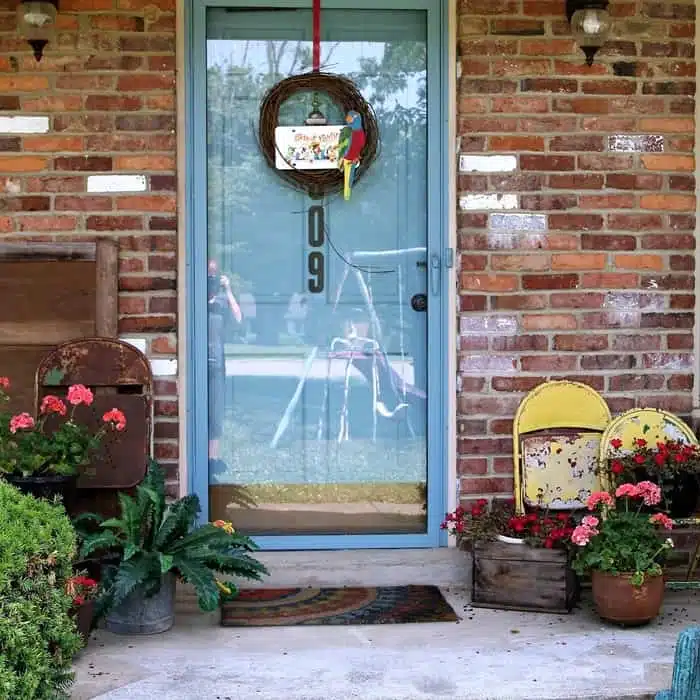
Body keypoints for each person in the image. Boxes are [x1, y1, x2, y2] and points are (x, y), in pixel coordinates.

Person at [207, 258, 242, 478]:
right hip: (199, 365)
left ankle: (213, 458)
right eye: (207, 275)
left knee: (216, 412)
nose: (211, 279)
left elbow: (239, 318)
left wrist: (228, 290)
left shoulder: (221, 304)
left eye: (214, 274)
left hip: (217, 364)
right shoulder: (195, 303)